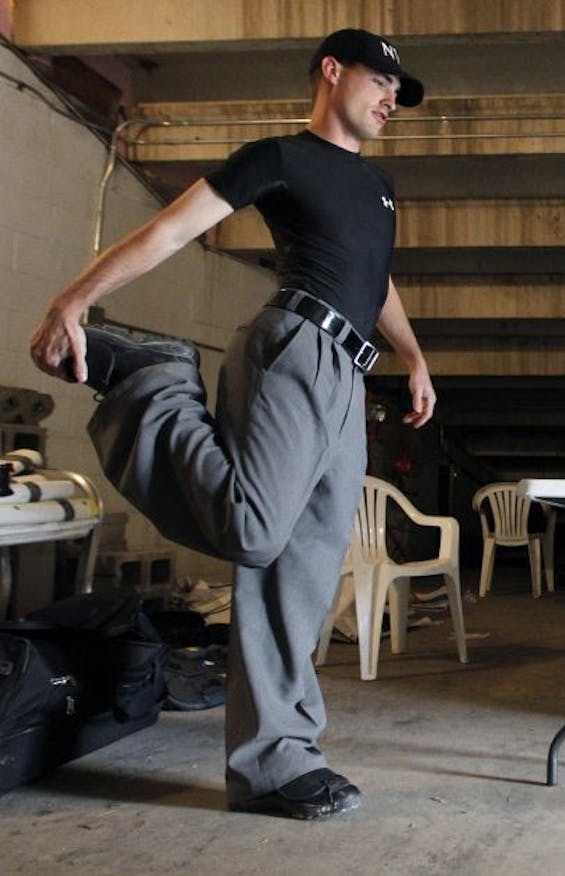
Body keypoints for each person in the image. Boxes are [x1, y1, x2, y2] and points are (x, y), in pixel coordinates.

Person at [29, 28, 434, 819]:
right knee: (255, 534)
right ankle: (154, 384)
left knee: (306, 571)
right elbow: (173, 229)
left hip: (351, 375)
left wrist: (413, 357)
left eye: (398, 90)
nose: (392, 97)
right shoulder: (278, 157)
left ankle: (280, 761)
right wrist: (72, 299)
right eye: (380, 80)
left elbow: (374, 279)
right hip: (293, 347)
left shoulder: (378, 185)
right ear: (331, 71)